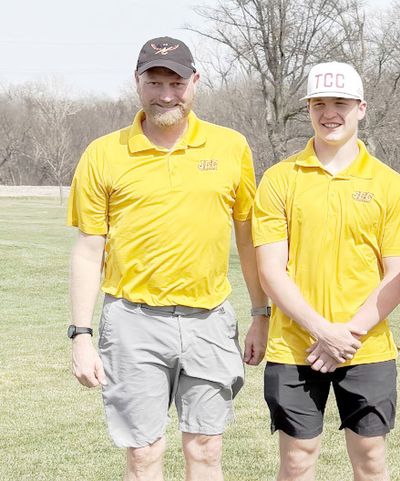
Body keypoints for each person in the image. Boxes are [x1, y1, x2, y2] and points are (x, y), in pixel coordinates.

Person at [67, 36, 266, 481]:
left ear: (194, 81)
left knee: (207, 449)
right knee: (142, 454)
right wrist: (81, 335)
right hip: (133, 321)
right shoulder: (103, 153)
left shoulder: (230, 147)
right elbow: (87, 250)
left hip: (209, 319)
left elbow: (249, 238)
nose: (165, 94)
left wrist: (260, 313)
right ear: (137, 83)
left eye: (175, 81)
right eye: (154, 82)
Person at [250, 61, 400, 481]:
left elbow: (397, 273)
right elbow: (270, 270)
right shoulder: (279, 178)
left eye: (340, 102)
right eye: (319, 103)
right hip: (295, 346)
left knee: (371, 459)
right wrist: (322, 331)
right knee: (298, 460)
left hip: (367, 347)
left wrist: (347, 335)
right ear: (307, 109)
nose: (329, 112)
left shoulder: (388, 182)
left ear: (361, 108)